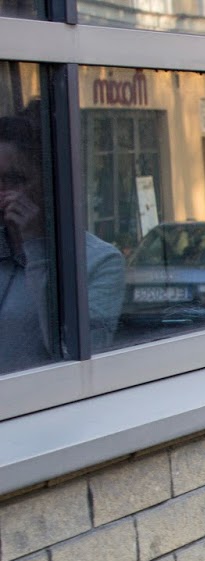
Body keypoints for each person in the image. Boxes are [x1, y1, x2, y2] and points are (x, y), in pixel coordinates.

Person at [0, 108, 124, 374]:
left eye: (14, 180)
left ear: (48, 182)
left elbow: (81, 351)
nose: (2, 192)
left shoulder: (100, 261)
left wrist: (35, 243)